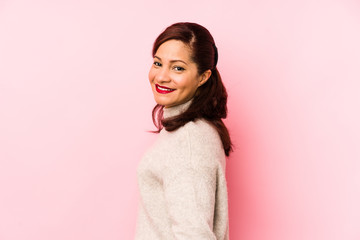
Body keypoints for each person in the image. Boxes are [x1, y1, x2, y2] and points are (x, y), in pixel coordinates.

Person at [135, 22, 232, 240]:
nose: (161, 77)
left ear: (203, 77)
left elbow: (194, 234)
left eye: (178, 67)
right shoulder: (193, 129)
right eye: (158, 63)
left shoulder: (189, 141)